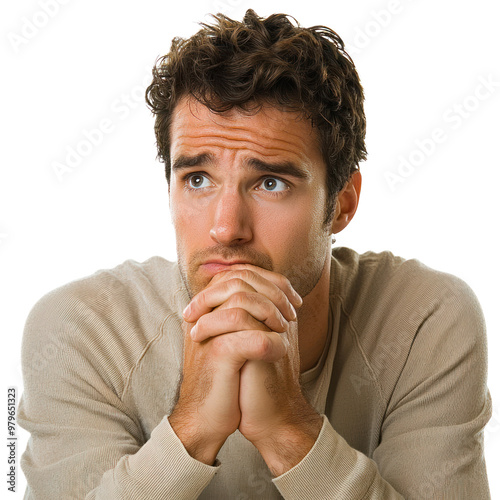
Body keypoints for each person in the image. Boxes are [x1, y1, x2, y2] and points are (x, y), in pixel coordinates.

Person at [18, 9, 492, 499]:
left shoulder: (423, 322)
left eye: (270, 183)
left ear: (342, 204)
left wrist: (290, 432)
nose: (226, 228)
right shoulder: (80, 329)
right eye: (197, 179)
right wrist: (191, 430)